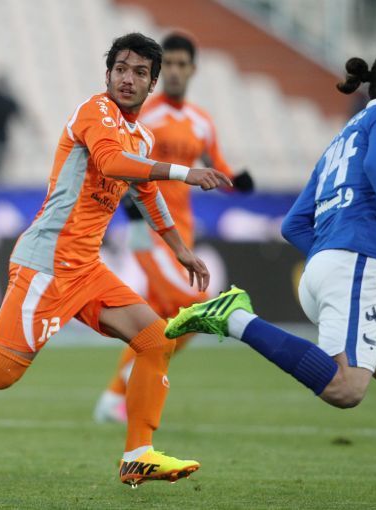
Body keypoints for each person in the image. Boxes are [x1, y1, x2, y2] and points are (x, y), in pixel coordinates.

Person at [0, 32, 233, 487]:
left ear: (152, 84)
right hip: (47, 263)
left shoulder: (142, 136)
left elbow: (146, 193)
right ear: (108, 74)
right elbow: (112, 163)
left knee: (154, 340)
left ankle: (137, 455)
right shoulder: (94, 112)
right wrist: (186, 172)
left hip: (86, 268)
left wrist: (180, 249)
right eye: (121, 69)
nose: (128, 79)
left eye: (139, 73)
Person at [164, 48, 376, 509]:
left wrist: (356, 257)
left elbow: (294, 224)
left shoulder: (342, 138)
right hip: (349, 267)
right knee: (346, 388)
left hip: (333, 266)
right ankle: (236, 318)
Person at [93, 32, 253, 423]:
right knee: (196, 307)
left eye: (183, 65)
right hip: (148, 231)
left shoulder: (202, 122)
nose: (176, 72)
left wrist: (237, 183)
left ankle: (115, 396)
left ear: (193, 69)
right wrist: (131, 210)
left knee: (161, 322)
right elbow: (123, 164)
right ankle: (129, 383)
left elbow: (216, 168)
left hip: (181, 233)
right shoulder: (146, 115)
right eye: (171, 65)